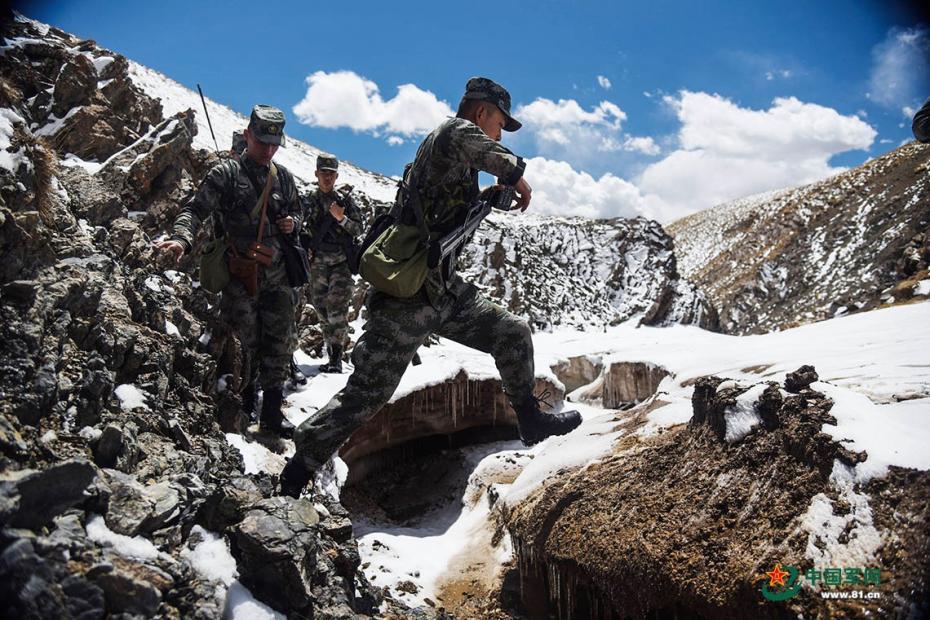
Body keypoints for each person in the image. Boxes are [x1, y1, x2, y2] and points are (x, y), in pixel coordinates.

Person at [278, 77, 582, 497]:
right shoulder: (452, 133)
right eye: (499, 124)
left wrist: (489, 199)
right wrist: (516, 176)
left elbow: (448, 218)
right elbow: (481, 148)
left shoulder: (457, 163)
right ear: (481, 113)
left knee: (512, 332)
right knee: (366, 396)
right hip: (406, 298)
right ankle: (296, 472)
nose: (498, 133)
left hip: (443, 291)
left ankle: (530, 419)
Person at [155, 105, 301, 438]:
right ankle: (246, 403)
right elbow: (195, 211)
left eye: (274, 143)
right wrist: (181, 239)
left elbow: (298, 214)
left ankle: (272, 414)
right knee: (245, 342)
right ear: (248, 134)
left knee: (279, 343)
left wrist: (293, 223)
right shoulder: (226, 174)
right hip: (240, 276)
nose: (268, 150)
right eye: (262, 141)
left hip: (277, 277)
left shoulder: (284, 178)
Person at [300, 154, 363, 373]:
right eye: (323, 173)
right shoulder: (308, 200)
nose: (327, 178)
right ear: (316, 173)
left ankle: (336, 358)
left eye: (331, 174)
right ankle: (331, 352)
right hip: (317, 262)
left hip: (341, 262)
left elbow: (358, 229)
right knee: (321, 310)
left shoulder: (345, 203)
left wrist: (341, 218)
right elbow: (301, 227)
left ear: (336, 176)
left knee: (337, 309)